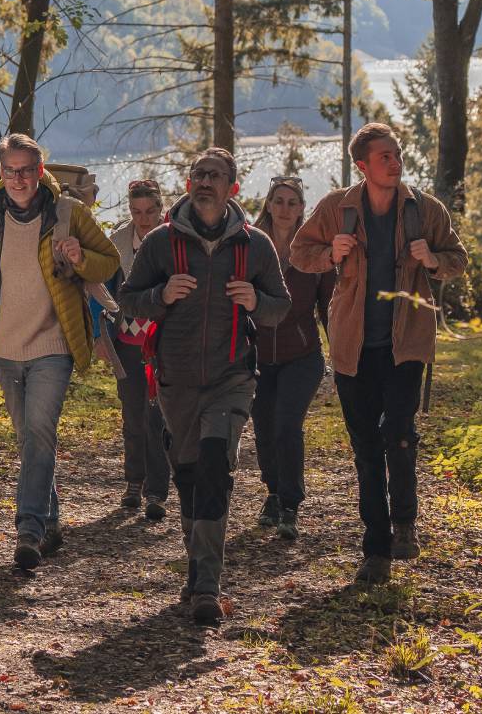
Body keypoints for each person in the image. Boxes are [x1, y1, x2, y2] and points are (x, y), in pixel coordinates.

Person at [291, 123, 468, 586]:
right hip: (352, 347)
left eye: (397, 153)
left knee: (401, 435)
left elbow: (457, 259)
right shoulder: (337, 208)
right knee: (366, 448)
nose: (395, 161)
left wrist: (431, 259)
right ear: (363, 165)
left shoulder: (425, 210)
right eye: (385, 156)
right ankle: (376, 548)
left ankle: (404, 522)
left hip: (406, 343)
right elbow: (298, 253)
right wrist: (331, 251)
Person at [119, 147, 291, 622]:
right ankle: (197, 570)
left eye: (215, 176)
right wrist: (160, 295)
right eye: (198, 174)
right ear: (189, 183)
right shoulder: (160, 242)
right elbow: (128, 300)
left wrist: (256, 299)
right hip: (175, 381)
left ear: (232, 188)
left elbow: (280, 306)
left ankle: (208, 585)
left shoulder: (255, 245)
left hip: (231, 377)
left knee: (216, 467)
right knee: (190, 476)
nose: (205, 182)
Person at [0, 133, 119, 571]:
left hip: (53, 344)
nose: (18, 179)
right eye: (10, 171)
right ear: (0, 174)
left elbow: (110, 261)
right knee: (28, 440)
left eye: (26, 170)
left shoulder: (66, 214)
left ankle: (29, 529)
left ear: (41, 171)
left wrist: (80, 259)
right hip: (4, 347)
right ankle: (52, 521)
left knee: (40, 431)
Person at [251, 176, 334, 540]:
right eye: (279, 201)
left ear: (303, 209)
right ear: (269, 204)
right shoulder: (249, 245)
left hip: (301, 355)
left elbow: (330, 307)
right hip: (254, 356)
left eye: (293, 202)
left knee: (286, 425)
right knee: (264, 428)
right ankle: (272, 491)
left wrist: (346, 354)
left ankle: (290, 503)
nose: (285, 208)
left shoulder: (315, 251)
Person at [107, 179, 171, 520]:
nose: (143, 219)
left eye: (149, 212)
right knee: (133, 414)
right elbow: (103, 294)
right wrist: (101, 339)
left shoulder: (173, 240)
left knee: (158, 417)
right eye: (136, 212)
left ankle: (157, 490)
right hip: (127, 341)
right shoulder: (118, 243)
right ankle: (134, 480)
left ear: (160, 210)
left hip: (164, 341)